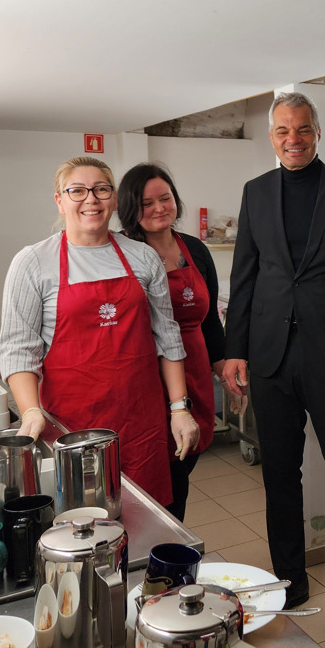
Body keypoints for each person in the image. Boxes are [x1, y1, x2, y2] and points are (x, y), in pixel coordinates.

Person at [221, 92, 325, 648]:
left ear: (317, 132)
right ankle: (289, 582)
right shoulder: (256, 192)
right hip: (269, 356)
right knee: (280, 476)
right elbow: (246, 274)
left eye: (304, 129)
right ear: (272, 135)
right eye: (284, 130)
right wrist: (234, 348)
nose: (294, 138)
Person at [0, 156, 199, 506]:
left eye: (101, 189)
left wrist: (179, 408)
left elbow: (167, 339)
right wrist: (30, 410)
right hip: (71, 426)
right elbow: (18, 350)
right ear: (59, 200)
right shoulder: (32, 262)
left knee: (150, 524)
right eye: (77, 190)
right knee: (83, 524)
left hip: (140, 421)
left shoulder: (143, 258)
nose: (90, 199)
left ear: (114, 199)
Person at [118, 162, 226, 521]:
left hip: (194, 372)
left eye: (165, 198)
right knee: (157, 474)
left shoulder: (195, 249)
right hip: (147, 376)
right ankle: (160, 551)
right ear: (130, 208)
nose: (159, 208)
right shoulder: (123, 254)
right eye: (146, 203)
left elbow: (210, 319)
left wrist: (225, 364)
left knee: (185, 462)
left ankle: (167, 547)